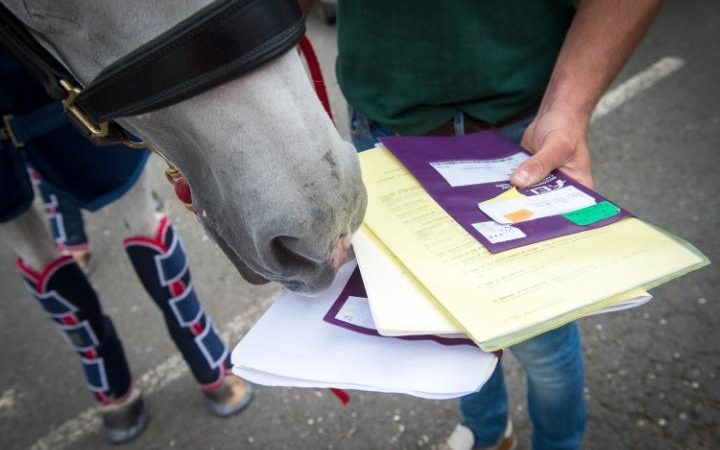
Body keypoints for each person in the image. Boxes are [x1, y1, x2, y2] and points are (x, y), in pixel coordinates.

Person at [301, 1, 662, 449]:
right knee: (452, 325)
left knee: (544, 340)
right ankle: (488, 430)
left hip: (521, 130)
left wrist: (568, 108)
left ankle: (559, 443)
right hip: (383, 128)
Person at [0, 49, 252, 443]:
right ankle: (111, 376)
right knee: (30, 246)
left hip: (38, 68)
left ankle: (193, 346)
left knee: (134, 207)